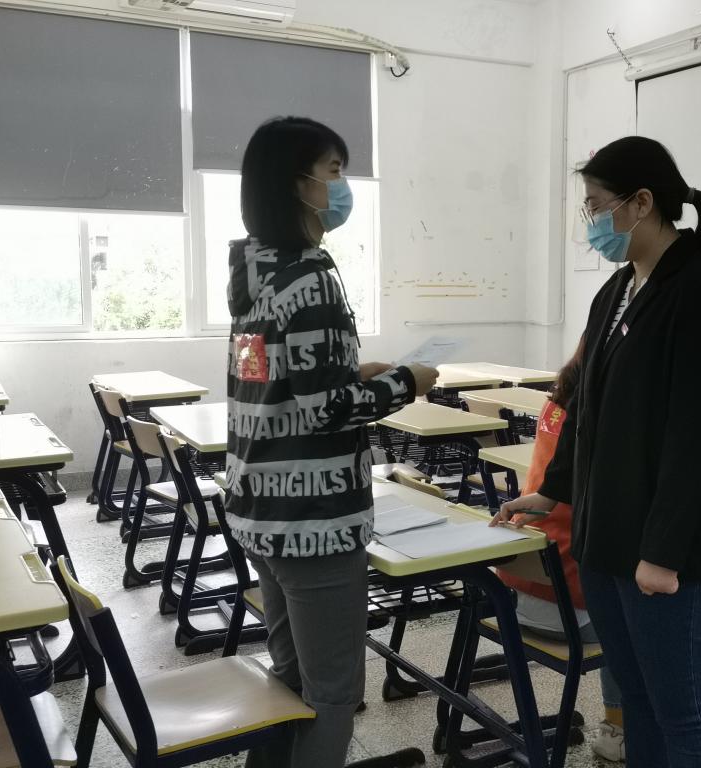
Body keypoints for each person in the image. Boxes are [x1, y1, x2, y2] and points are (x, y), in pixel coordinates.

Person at [494, 135, 701, 768]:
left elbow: (698, 433)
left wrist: (662, 553)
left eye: (596, 205)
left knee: (687, 713)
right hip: (606, 536)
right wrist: (553, 491)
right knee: (637, 700)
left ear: (641, 202)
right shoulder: (616, 290)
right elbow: (585, 405)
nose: (590, 221)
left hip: (669, 552)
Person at [224, 116, 439, 768]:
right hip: (314, 519)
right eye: (335, 172)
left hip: (262, 507)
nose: (342, 188)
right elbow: (327, 412)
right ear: (298, 184)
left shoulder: (257, 272)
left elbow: (271, 379)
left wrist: (348, 371)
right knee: (334, 694)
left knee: (290, 680)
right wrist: (405, 382)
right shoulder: (311, 276)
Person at [495, 338, 625, 762]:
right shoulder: (609, 413)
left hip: (512, 595)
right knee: (632, 614)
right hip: (571, 611)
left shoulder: (557, 400)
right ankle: (620, 728)